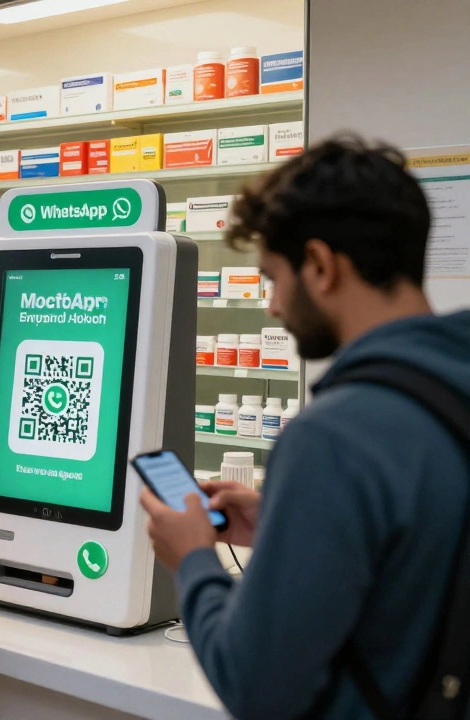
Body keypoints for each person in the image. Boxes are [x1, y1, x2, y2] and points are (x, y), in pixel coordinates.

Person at [140, 136, 470, 720]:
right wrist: (286, 524)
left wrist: (192, 558)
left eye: (272, 277)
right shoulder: (450, 383)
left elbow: (256, 686)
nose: (271, 306)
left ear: (319, 266)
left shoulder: (335, 435)